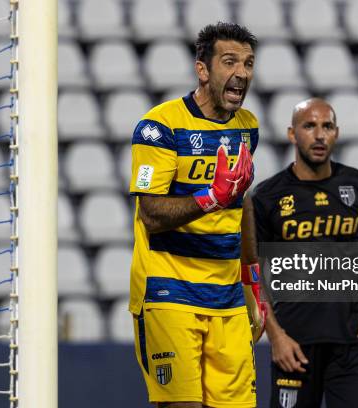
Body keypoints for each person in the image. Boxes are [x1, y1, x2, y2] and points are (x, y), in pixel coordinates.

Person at [129, 22, 266, 408]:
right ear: (203, 70)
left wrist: (253, 279)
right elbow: (151, 214)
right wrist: (211, 198)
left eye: (249, 63)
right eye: (230, 62)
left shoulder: (247, 128)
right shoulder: (159, 127)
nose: (242, 73)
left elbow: (243, 202)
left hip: (227, 297)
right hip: (168, 290)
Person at [243, 98, 358, 407]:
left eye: (327, 126)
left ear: (336, 133)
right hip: (294, 344)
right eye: (309, 126)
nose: (319, 135)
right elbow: (252, 272)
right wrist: (275, 336)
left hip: (354, 341)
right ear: (292, 134)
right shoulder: (269, 197)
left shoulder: (357, 184)